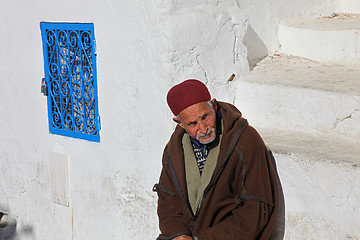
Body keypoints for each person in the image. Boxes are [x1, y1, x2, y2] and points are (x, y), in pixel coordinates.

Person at [153, 79, 280, 240]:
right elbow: (168, 200)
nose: (204, 128)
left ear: (214, 105)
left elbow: (256, 208)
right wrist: (178, 235)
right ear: (179, 123)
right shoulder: (174, 149)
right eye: (193, 123)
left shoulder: (245, 140)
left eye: (205, 116)